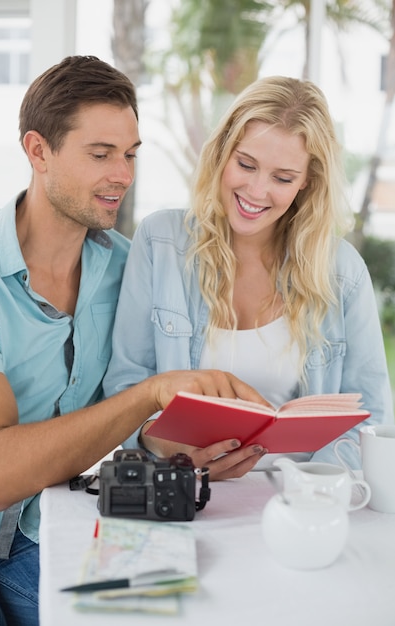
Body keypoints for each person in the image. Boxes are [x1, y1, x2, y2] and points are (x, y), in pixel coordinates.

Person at [0, 55, 268, 626]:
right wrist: (151, 394)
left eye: (131, 154)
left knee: (181, 610)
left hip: (59, 531)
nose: (123, 175)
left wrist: (181, 447)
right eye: (101, 154)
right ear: (38, 151)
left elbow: (131, 428)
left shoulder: (131, 269)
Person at [103, 75, 394, 472]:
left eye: (283, 178)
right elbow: (126, 387)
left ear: (307, 181)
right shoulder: (161, 242)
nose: (257, 191)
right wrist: (172, 448)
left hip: (299, 502)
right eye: (246, 164)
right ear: (223, 152)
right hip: (189, 496)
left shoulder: (341, 271)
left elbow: (372, 418)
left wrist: (307, 484)